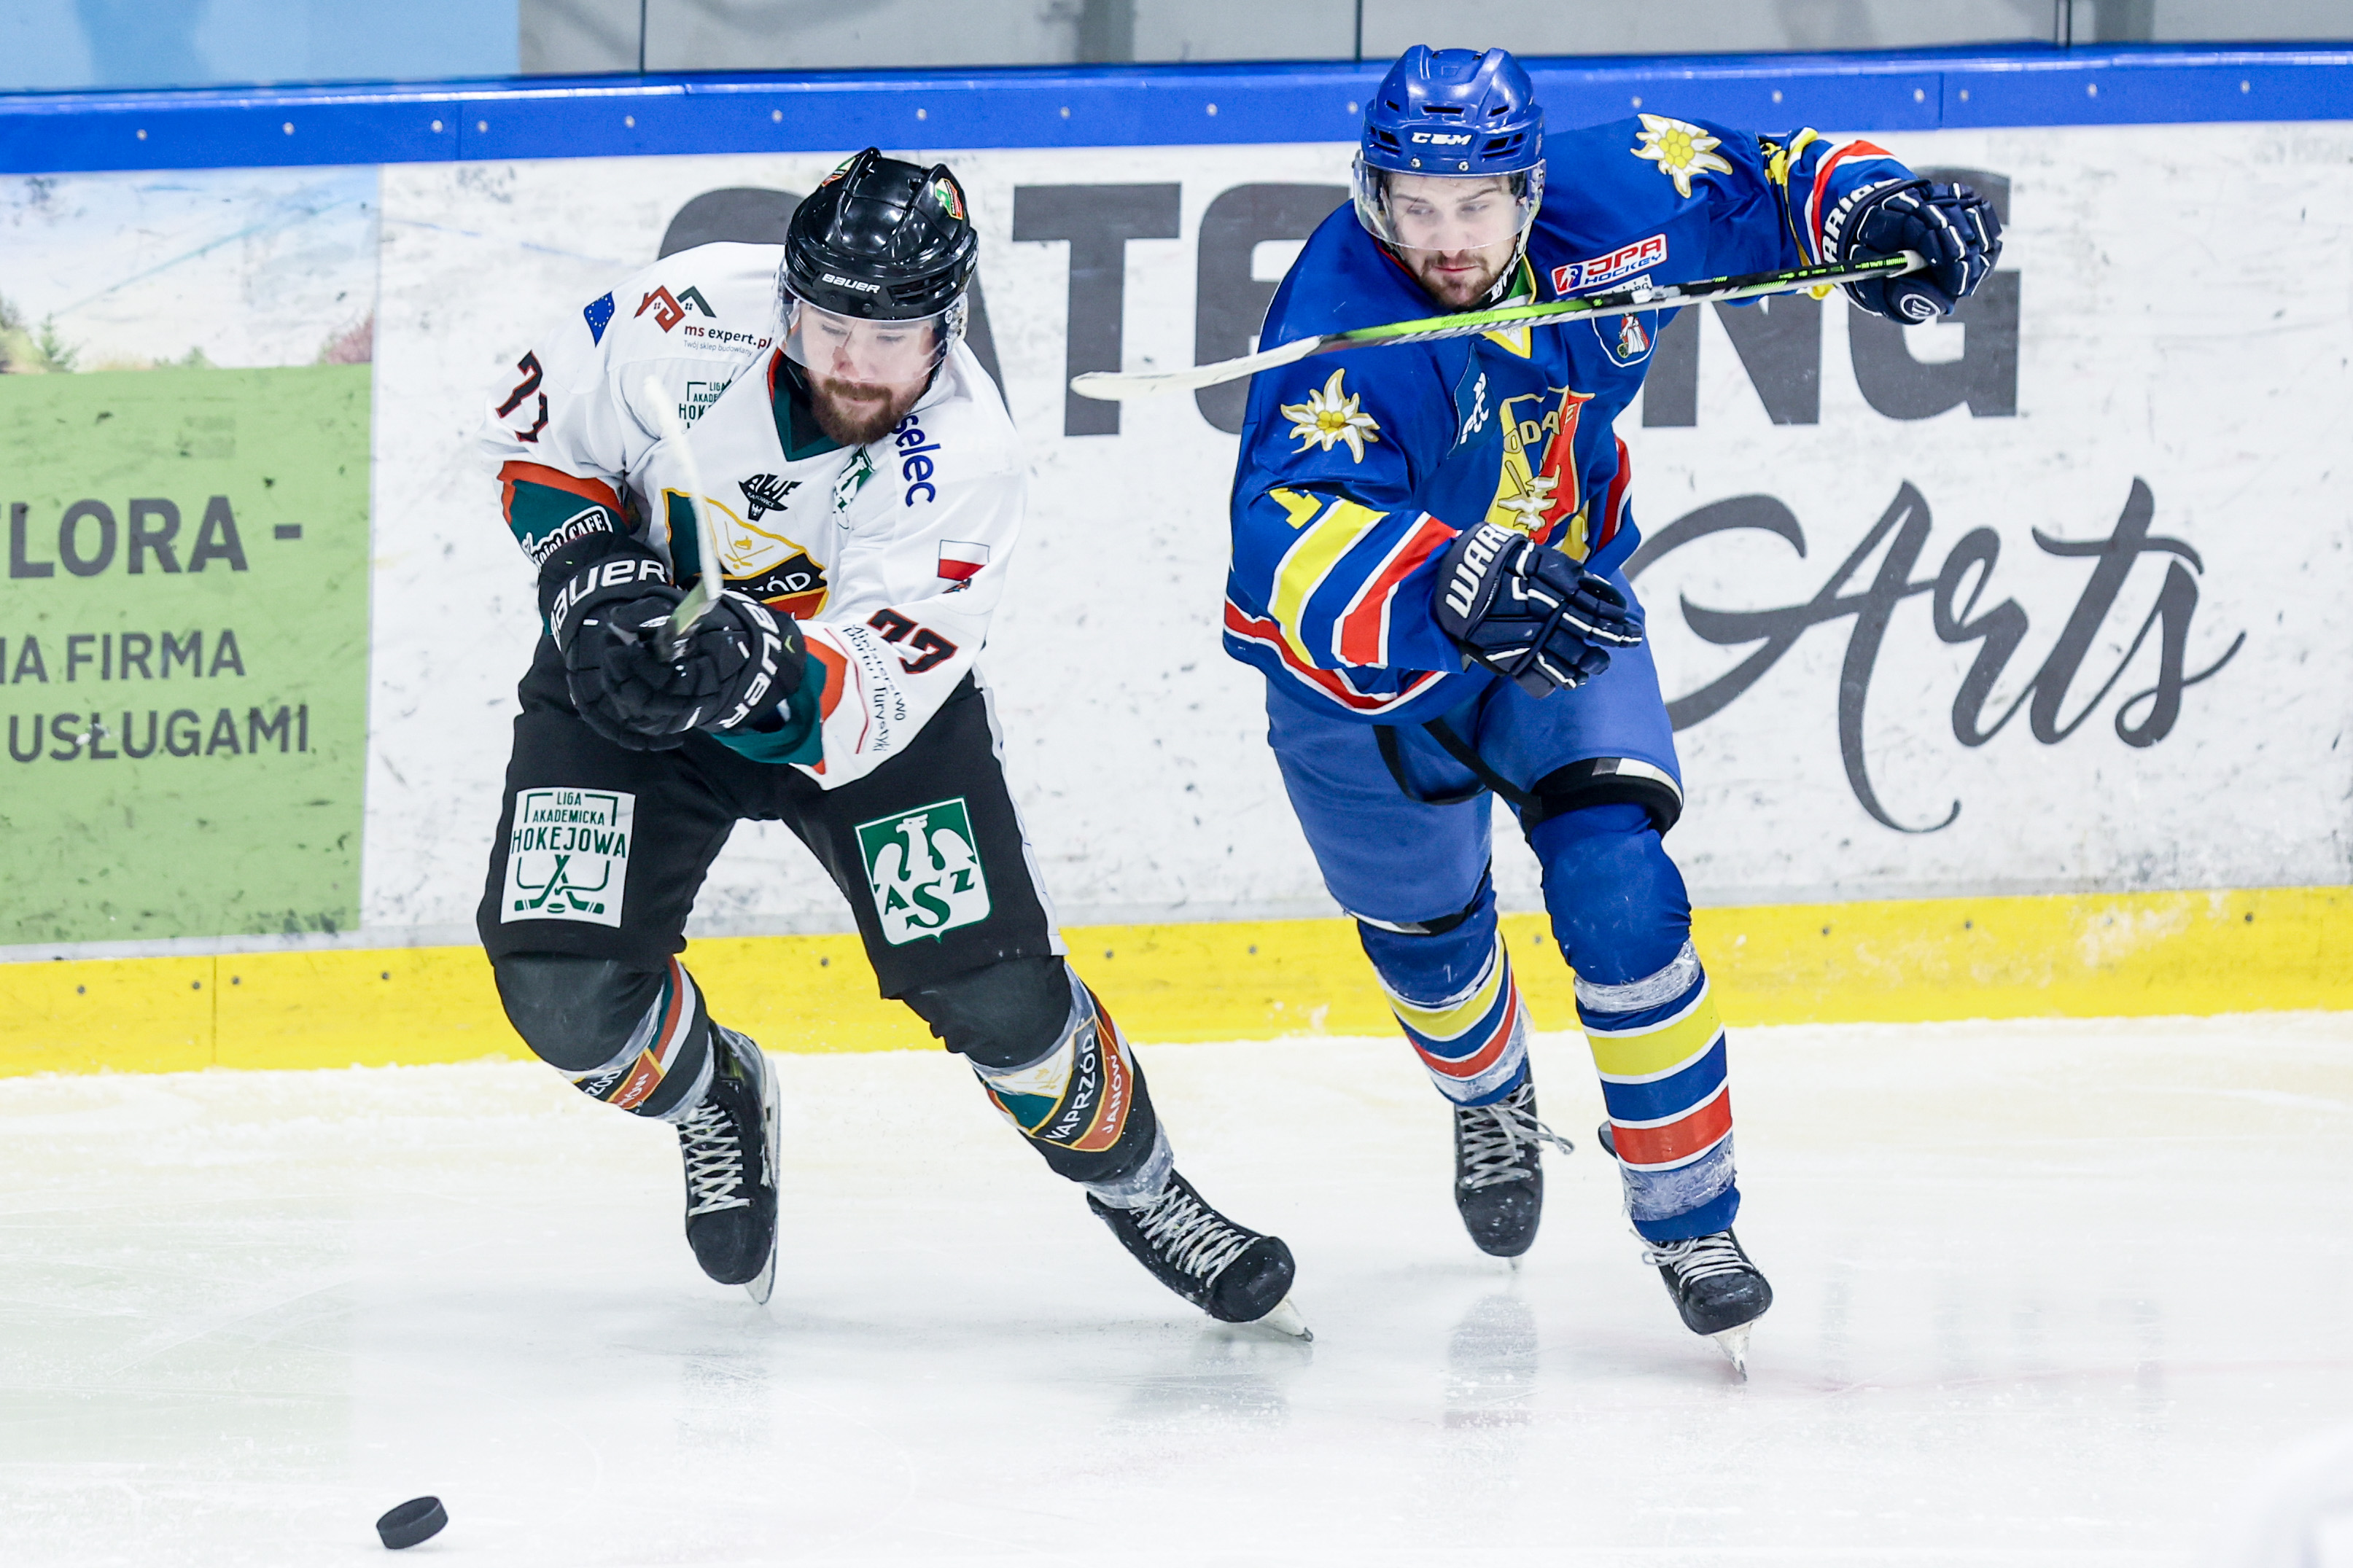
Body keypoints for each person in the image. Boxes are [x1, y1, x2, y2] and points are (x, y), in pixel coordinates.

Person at [1221, 47, 1999, 1366]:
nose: (1445, 240)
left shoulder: (1619, 193)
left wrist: (1879, 212)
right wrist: (1444, 575)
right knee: (1431, 948)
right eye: (1415, 205)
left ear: (1529, 191)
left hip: (1557, 609)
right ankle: (1490, 1097)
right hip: (1361, 681)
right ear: (1372, 192)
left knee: (1622, 892)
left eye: (1476, 205)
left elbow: (1770, 180)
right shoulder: (1337, 317)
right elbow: (1280, 537)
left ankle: (1694, 1222)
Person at [474, 149, 1302, 1334]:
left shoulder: (967, 459)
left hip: (856, 723)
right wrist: (592, 584)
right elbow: (540, 442)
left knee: (1005, 1006)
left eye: (893, 337)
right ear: (787, 303)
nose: (854, 364)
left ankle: (1143, 1189)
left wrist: (757, 663)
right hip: (638, 672)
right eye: (829, 326)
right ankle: (715, 1097)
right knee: (563, 999)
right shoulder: (679, 313)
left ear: (945, 330)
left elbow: (871, 689)